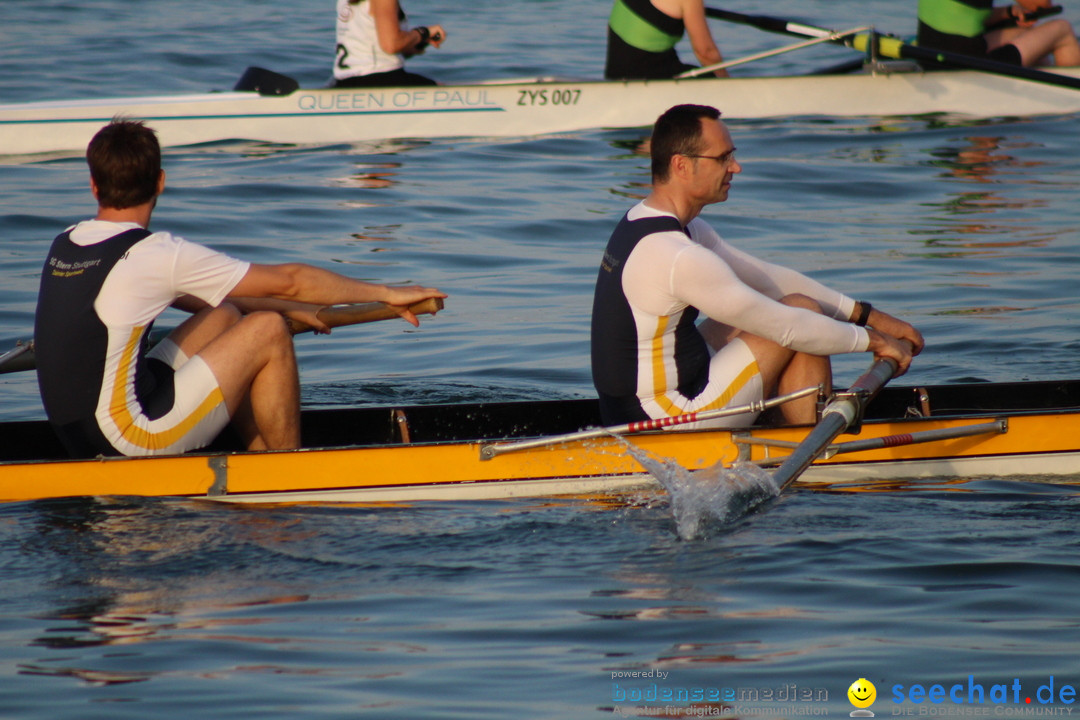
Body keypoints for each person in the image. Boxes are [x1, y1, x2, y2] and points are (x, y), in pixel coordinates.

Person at [34, 119, 446, 459]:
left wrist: (295, 310)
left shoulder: (67, 242)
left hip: (75, 433)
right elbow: (292, 281)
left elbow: (216, 298)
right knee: (267, 329)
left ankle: (258, 451)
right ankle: (287, 474)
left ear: (93, 185)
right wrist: (387, 293)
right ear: (160, 182)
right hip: (126, 439)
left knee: (226, 315)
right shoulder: (156, 254)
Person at [590, 104, 923, 429]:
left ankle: (796, 422)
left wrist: (877, 320)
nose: (736, 168)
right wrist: (877, 342)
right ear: (681, 165)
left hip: (640, 402)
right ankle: (812, 449)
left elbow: (772, 281)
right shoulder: (679, 256)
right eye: (723, 158)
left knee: (801, 307)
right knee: (800, 325)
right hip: (664, 422)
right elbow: (788, 329)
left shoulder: (648, 220)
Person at [917, 0, 1080, 67]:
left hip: (928, 55)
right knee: (1062, 30)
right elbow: (1040, 5)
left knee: (1024, 33)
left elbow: (961, 15)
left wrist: (1008, 12)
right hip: (966, 63)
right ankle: (1070, 102)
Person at [332, 0, 447, 88]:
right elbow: (391, 45)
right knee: (446, 94)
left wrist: (414, 42)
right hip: (380, 79)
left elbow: (369, 46)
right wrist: (423, 32)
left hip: (344, 82)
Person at [605, 0, 728, 80]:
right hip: (651, 79)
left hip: (615, 74)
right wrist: (725, 83)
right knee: (709, 77)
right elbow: (705, 52)